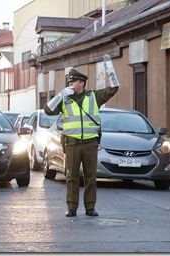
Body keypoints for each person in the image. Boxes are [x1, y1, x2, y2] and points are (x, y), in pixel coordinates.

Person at [44, 54, 120, 217]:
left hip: (90, 143)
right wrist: (60, 94)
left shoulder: (94, 96)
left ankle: (90, 207)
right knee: (71, 176)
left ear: (82, 83)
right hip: (72, 143)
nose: (70, 84)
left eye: (73, 82)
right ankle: (72, 208)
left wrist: (110, 69)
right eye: (69, 82)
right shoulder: (65, 99)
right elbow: (48, 110)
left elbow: (114, 88)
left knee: (90, 177)